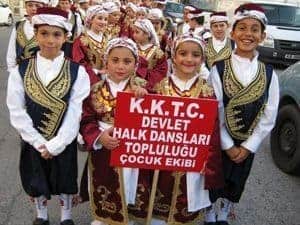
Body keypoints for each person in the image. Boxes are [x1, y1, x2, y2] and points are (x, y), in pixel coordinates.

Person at [6, 7, 90, 225]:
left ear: (66, 37)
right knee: (35, 177)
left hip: (64, 138)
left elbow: (75, 111)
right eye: (44, 33)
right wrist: (38, 141)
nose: (50, 40)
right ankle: (41, 215)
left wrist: (58, 143)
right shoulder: (21, 70)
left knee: (65, 175)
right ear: (36, 34)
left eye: (56, 34)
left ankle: (66, 217)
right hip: (34, 139)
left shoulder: (77, 71)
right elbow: (16, 109)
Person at [207, 4, 279, 225]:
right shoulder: (218, 68)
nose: (248, 34)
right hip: (221, 140)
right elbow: (214, 109)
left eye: (255, 29)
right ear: (233, 32)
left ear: (262, 35)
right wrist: (227, 144)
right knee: (214, 178)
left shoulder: (269, 73)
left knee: (237, 180)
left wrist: (249, 146)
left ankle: (225, 212)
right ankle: (210, 212)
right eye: (243, 28)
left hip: (248, 142)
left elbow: (270, 113)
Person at [150, 33, 223, 225]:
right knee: (159, 209)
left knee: (185, 210)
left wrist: (209, 162)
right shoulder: (160, 88)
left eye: (195, 55)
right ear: (174, 56)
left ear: (202, 59)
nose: (189, 59)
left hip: (192, 162)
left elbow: (212, 132)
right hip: (162, 161)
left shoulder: (207, 92)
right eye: (183, 53)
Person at [79, 37, 150, 225]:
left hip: (132, 149)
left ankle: (127, 217)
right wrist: (98, 136)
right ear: (106, 62)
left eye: (127, 61)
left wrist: (146, 100)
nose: (120, 66)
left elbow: (154, 120)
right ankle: (103, 218)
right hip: (103, 149)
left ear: (135, 64)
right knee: (104, 184)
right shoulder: (94, 90)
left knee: (131, 185)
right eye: (115, 60)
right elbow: (86, 120)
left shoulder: (143, 89)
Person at [6, 0, 47, 73]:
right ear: (26, 7)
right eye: (30, 5)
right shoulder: (19, 25)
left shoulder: (48, 27)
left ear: (44, 7)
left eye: (37, 6)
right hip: (20, 70)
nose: (33, 8)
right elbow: (12, 50)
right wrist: (12, 70)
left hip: (41, 72)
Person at [72, 5, 109, 79]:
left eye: (105, 19)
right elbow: (78, 63)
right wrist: (97, 71)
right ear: (91, 19)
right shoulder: (81, 40)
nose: (103, 22)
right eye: (100, 18)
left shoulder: (106, 38)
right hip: (89, 79)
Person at [132, 18, 168, 92]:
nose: (134, 35)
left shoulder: (157, 52)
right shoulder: (131, 48)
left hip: (148, 87)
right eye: (133, 32)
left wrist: (146, 81)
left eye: (137, 32)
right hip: (131, 85)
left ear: (147, 34)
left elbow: (161, 71)